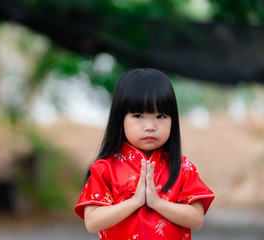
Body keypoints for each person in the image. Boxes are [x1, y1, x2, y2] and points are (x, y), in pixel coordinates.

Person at [74, 68, 215, 240]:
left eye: (161, 116)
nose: (150, 126)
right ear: (120, 119)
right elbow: (92, 222)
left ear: (173, 121)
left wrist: (157, 203)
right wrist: (134, 202)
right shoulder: (104, 169)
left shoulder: (182, 168)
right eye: (138, 115)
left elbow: (196, 219)